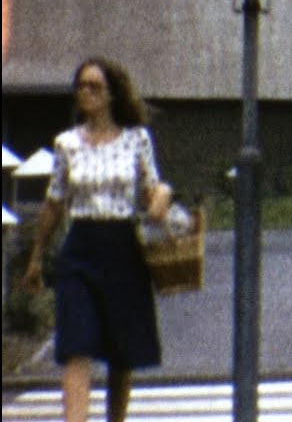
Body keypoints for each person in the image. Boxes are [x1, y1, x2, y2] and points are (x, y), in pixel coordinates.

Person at [23, 58, 172, 422]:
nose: (86, 93)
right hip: (81, 247)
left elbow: (153, 188)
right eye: (81, 86)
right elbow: (55, 202)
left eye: (95, 86)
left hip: (122, 246)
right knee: (76, 342)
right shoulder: (67, 144)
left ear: (112, 94)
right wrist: (36, 257)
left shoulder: (136, 139)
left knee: (122, 351)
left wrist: (161, 200)